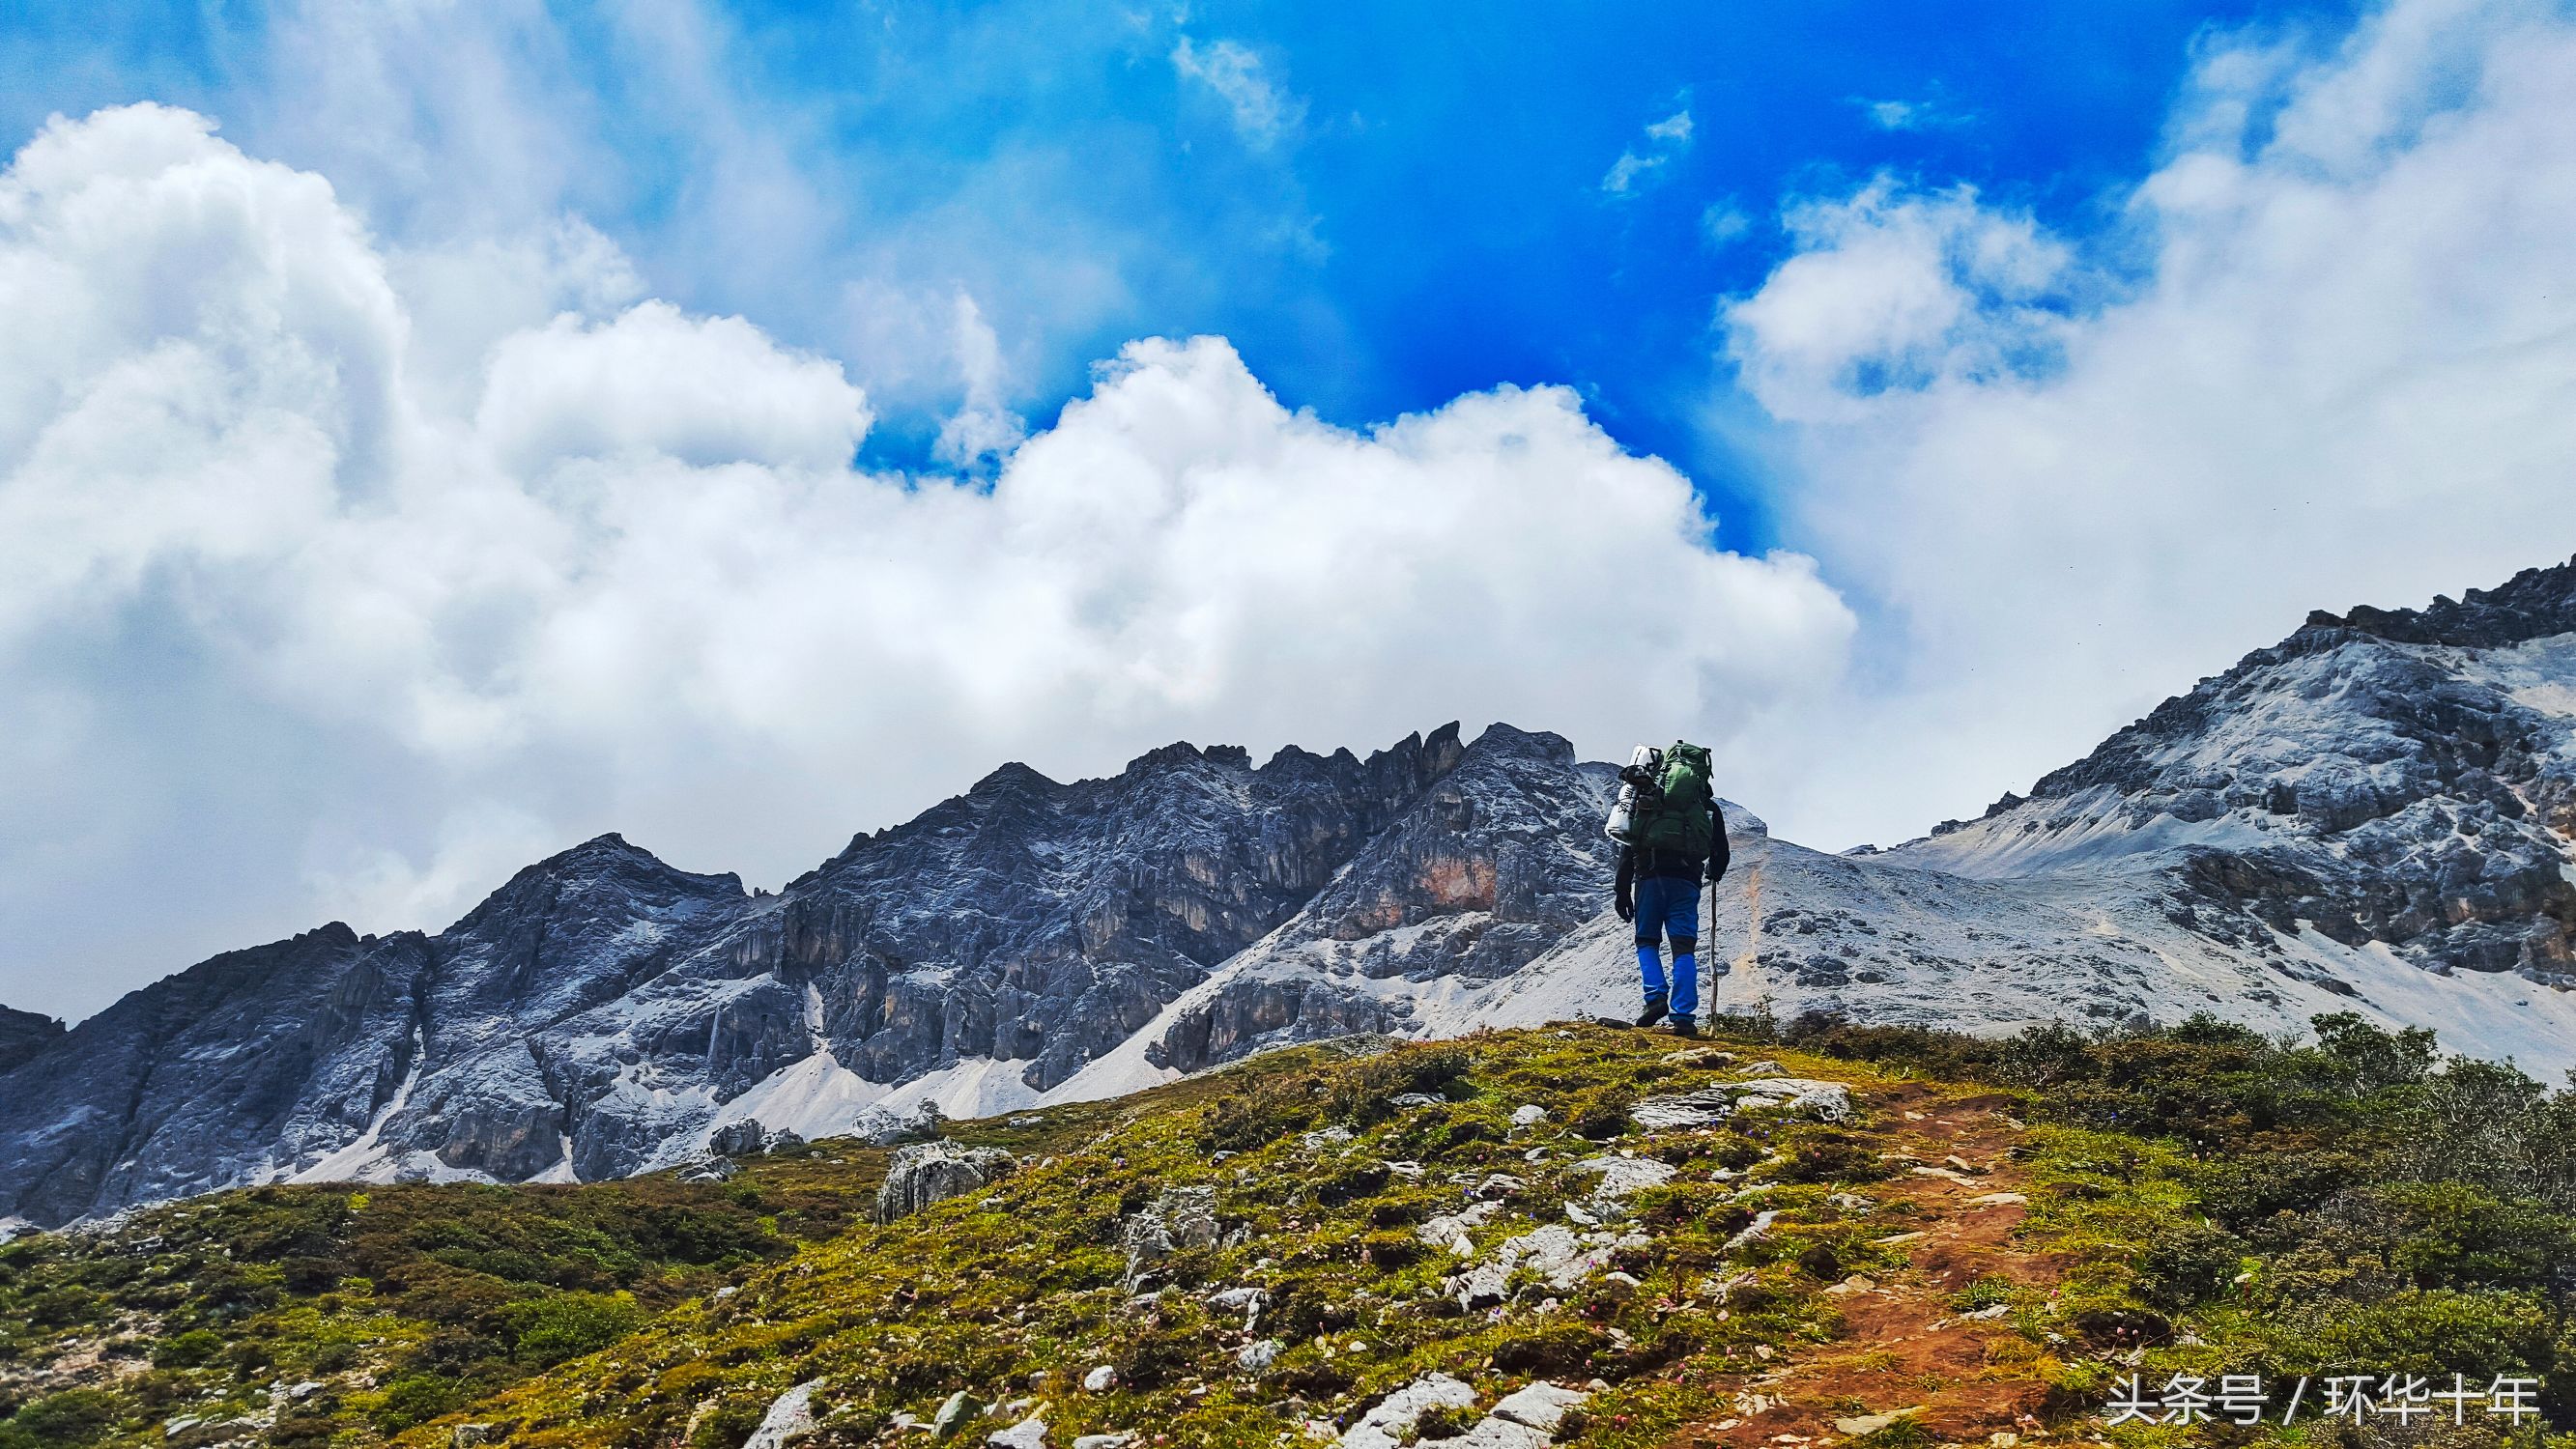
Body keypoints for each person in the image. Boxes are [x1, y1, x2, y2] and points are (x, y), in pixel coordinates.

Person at [1613, 747, 1729, 1037]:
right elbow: (1721, 853)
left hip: (1649, 878)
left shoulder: (1649, 798)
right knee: (1683, 947)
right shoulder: (1706, 807)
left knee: (1647, 941)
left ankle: (1655, 998)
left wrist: (1622, 891)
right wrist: (1712, 871)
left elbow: (1630, 846)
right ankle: (1684, 1017)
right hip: (1687, 881)